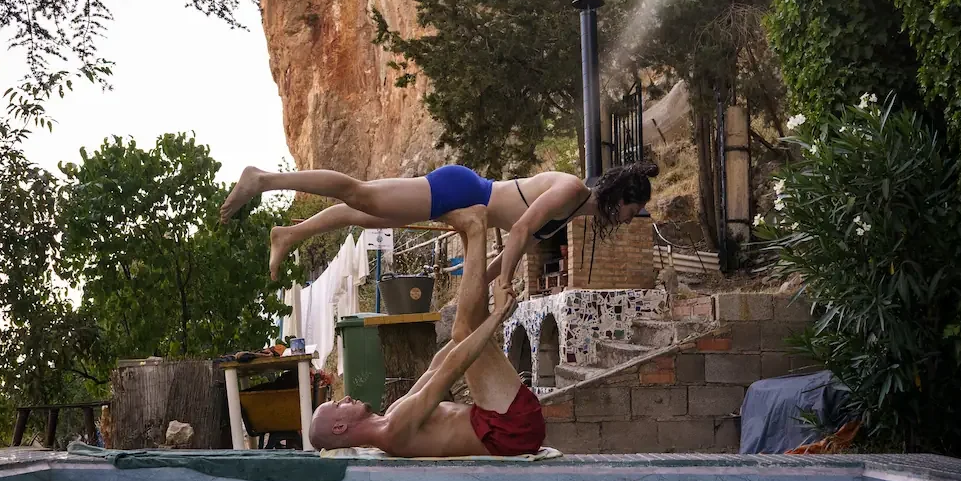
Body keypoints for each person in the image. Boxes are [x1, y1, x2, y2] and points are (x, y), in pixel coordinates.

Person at [308, 206, 545, 458]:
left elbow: (435, 367)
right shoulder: (393, 432)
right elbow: (450, 370)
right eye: (338, 405)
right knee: (463, 328)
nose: (345, 398)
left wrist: (478, 321)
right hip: (511, 430)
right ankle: (475, 227)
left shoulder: (392, 414)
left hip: (498, 420)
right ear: (339, 427)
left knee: (466, 327)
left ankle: (469, 232)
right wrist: (496, 315)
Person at [220, 160, 658, 282]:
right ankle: (264, 179)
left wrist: (482, 281)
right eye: (632, 210)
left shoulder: (573, 212)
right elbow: (522, 230)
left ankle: (290, 233)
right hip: (462, 190)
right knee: (361, 194)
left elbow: (509, 250)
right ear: (623, 197)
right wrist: (508, 284)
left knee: (365, 215)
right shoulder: (572, 190)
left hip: (466, 196)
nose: (628, 219)